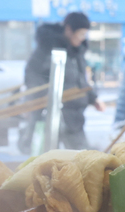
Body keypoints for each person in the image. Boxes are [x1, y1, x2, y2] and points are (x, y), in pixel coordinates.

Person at [18, 11, 103, 152]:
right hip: (50, 116)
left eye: (84, 34)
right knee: (48, 163)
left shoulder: (77, 52)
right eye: (81, 34)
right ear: (69, 30)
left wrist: (93, 98)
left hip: (74, 118)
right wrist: (44, 97)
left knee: (82, 161)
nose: (83, 38)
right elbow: (31, 75)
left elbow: (81, 81)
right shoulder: (47, 47)